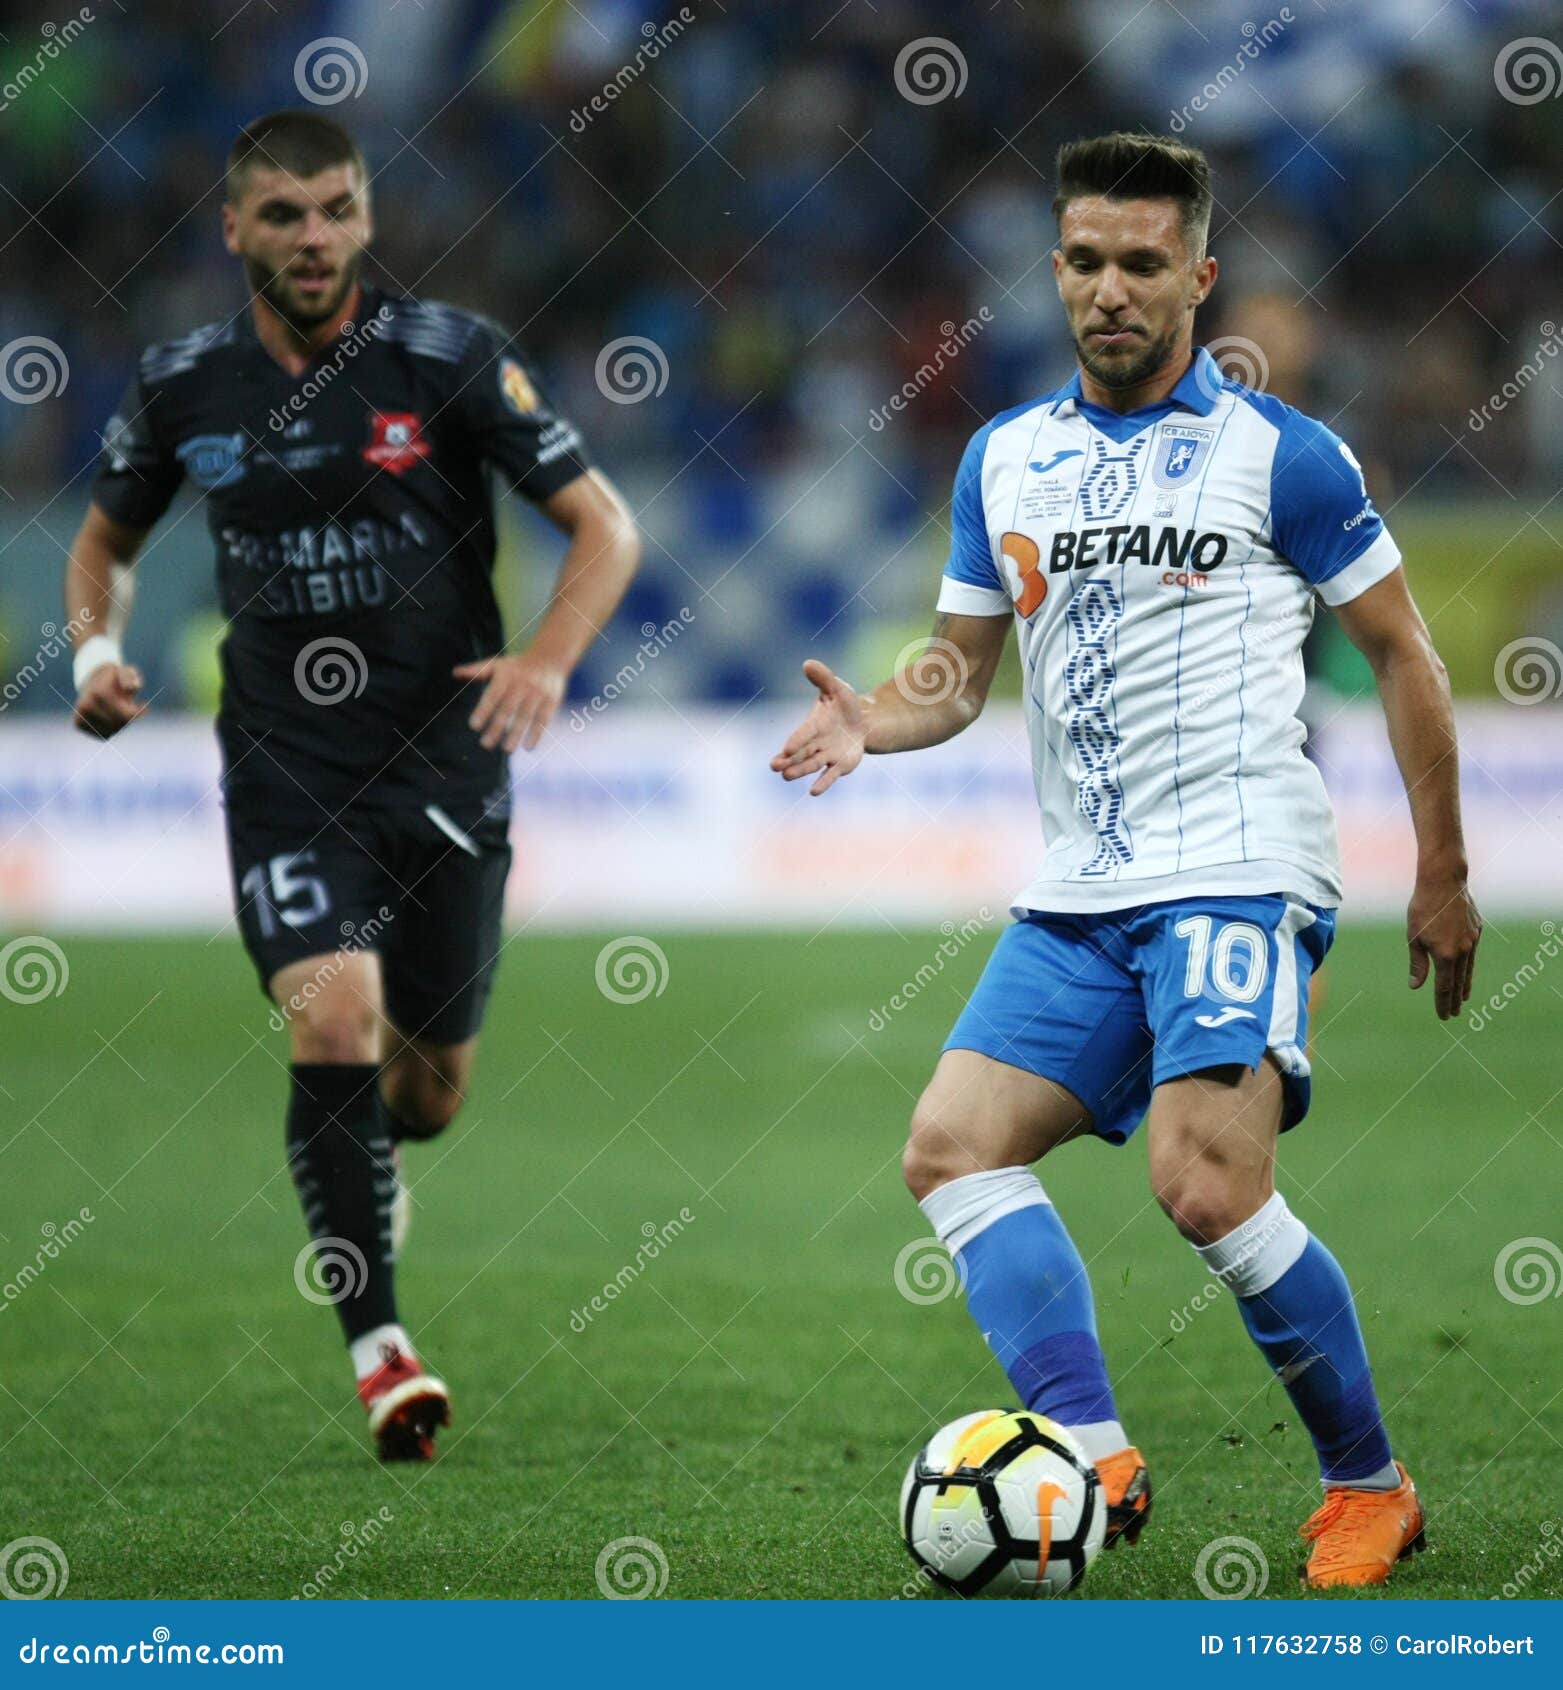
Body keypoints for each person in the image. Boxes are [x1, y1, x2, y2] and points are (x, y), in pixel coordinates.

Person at [771, 131, 1480, 1588]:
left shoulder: (1281, 453)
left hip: (1236, 868)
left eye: (1143, 264)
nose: (1110, 291)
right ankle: (1092, 1456)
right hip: (1082, 889)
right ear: (1054, 273)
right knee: (951, 1150)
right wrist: (874, 722)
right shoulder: (1004, 457)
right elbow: (960, 675)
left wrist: (1444, 869)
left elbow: (1403, 654)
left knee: (1205, 1184)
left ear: (1198, 279)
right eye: (1086, 262)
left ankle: (1371, 1485)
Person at [65, 110, 641, 1460]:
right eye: (283, 215)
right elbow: (104, 540)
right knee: (334, 1013)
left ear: (366, 217)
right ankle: (383, 1349)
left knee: (427, 1092)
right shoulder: (180, 384)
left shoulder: (445, 359)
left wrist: (549, 661)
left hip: (443, 764)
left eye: (334, 211)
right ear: (233, 228)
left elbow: (605, 524)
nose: (313, 238)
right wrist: (92, 643)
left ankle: (369, 1157)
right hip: (283, 767)